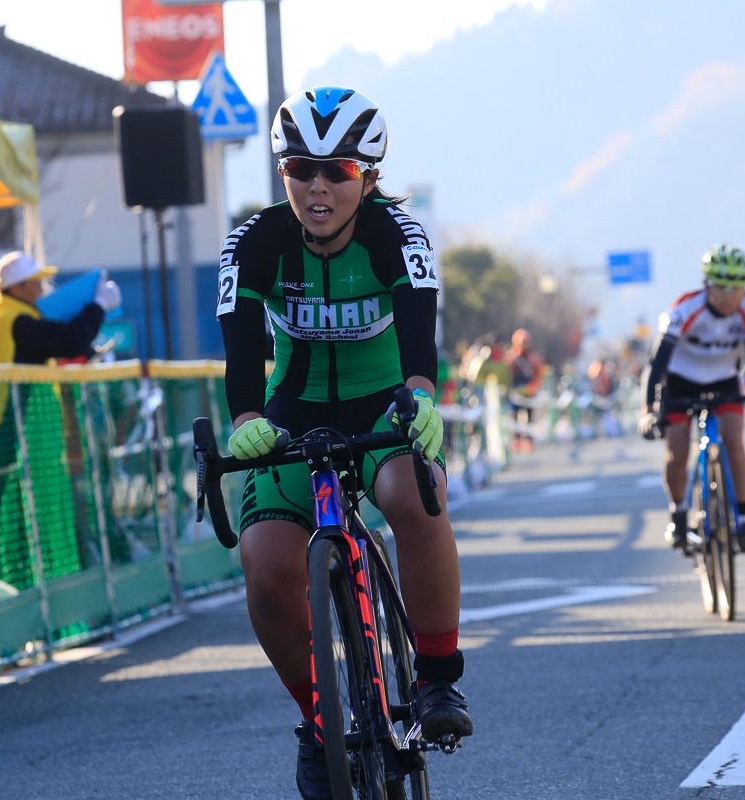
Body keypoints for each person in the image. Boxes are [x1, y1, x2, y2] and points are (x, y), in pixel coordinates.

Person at [216, 86, 473, 800]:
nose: (319, 185)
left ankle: (436, 677)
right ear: (282, 174)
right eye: (301, 168)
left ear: (369, 176)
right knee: (267, 568)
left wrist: (422, 394)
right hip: (290, 413)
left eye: (340, 171)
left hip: (385, 402)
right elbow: (239, 347)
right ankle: (320, 720)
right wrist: (244, 422)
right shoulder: (254, 240)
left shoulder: (400, 232)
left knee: (412, 502)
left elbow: (421, 325)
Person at [639, 244, 745, 554]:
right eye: (721, 288)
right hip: (680, 382)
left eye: (737, 288)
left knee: (734, 439)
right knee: (675, 452)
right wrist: (649, 410)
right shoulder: (686, 309)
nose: (729, 297)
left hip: (724, 381)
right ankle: (678, 515)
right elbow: (656, 363)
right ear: (707, 285)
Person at [0, 251, 120, 453]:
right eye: (35, 283)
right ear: (16, 287)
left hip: (1, 428)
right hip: (26, 433)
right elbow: (68, 341)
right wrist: (98, 306)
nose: (41, 289)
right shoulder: (17, 320)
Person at [506, 328, 544, 451]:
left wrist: (533, 386)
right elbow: (507, 374)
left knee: (530, 416)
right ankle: (516, 440)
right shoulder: (511, 357)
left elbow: (539, 373)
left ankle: (529, 440)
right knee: (514, 416)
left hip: (529, 390)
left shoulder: (533, 357)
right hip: (515, 390)